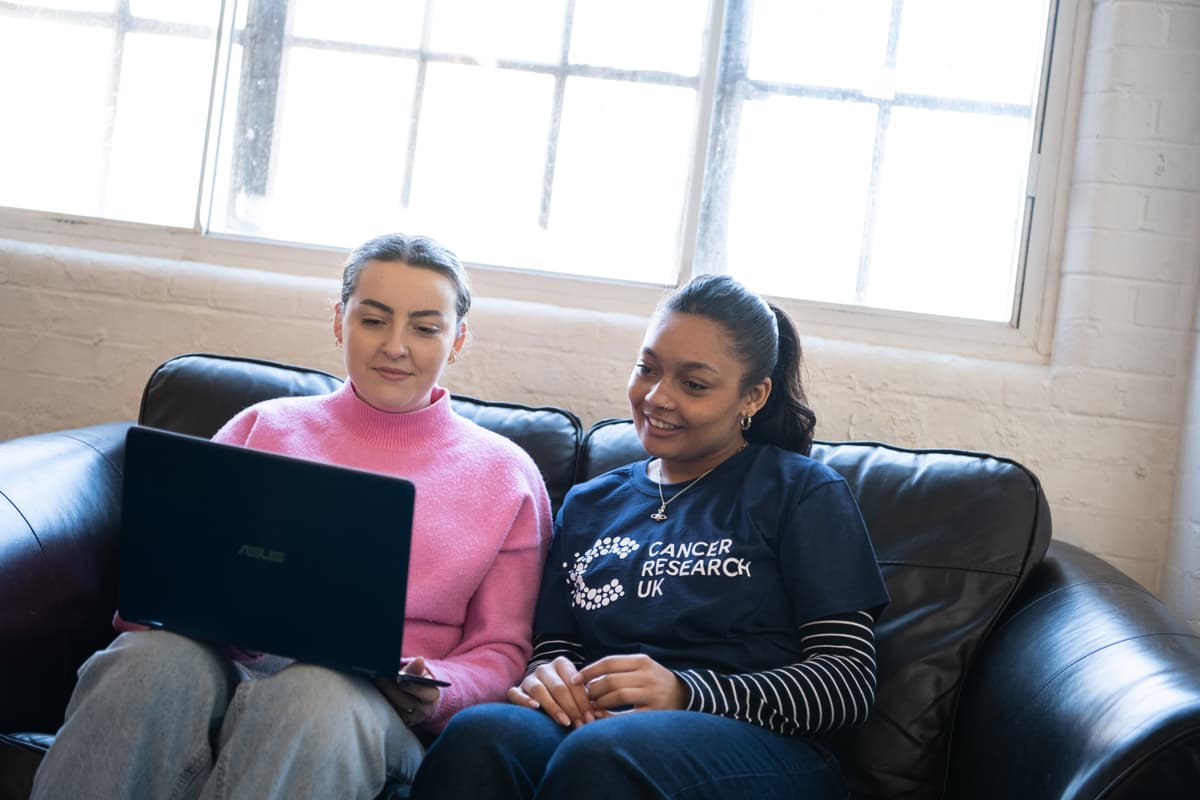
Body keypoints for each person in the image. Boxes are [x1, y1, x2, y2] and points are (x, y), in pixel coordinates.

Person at [30, 233, 553, 799]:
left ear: (457, 339)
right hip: (226, 667)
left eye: (425, 327)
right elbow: (171, 579)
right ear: (340, 322)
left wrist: (437, 689)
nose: (396, 346)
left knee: (315, 693)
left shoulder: (507, 475)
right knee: (147, 661)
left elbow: (501, 652)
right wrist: (164, 610)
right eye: (374, 320)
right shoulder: (263, 427)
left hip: (365, 711)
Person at [408, 274, 890, 800]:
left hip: (764, 747)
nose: (657, 397)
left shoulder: (801, 491)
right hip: (603, 732)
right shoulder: (591, 504)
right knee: (482, 735)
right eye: (647, 369)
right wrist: (551, 679)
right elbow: (555, 645)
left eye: (694, 384)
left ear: (752, 395)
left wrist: (688, 692)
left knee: (606, 753)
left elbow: (846, 681)